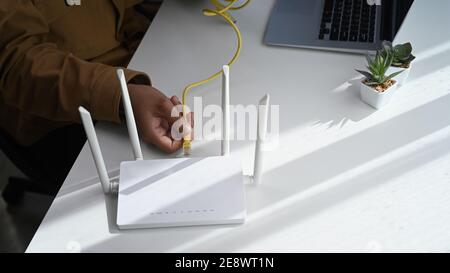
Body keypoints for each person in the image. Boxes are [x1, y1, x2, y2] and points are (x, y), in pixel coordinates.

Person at [0, 0, 186, 191]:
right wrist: (121, 96)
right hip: (65, 115)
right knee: (165, 190)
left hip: (141, 54)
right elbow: (17, 63)